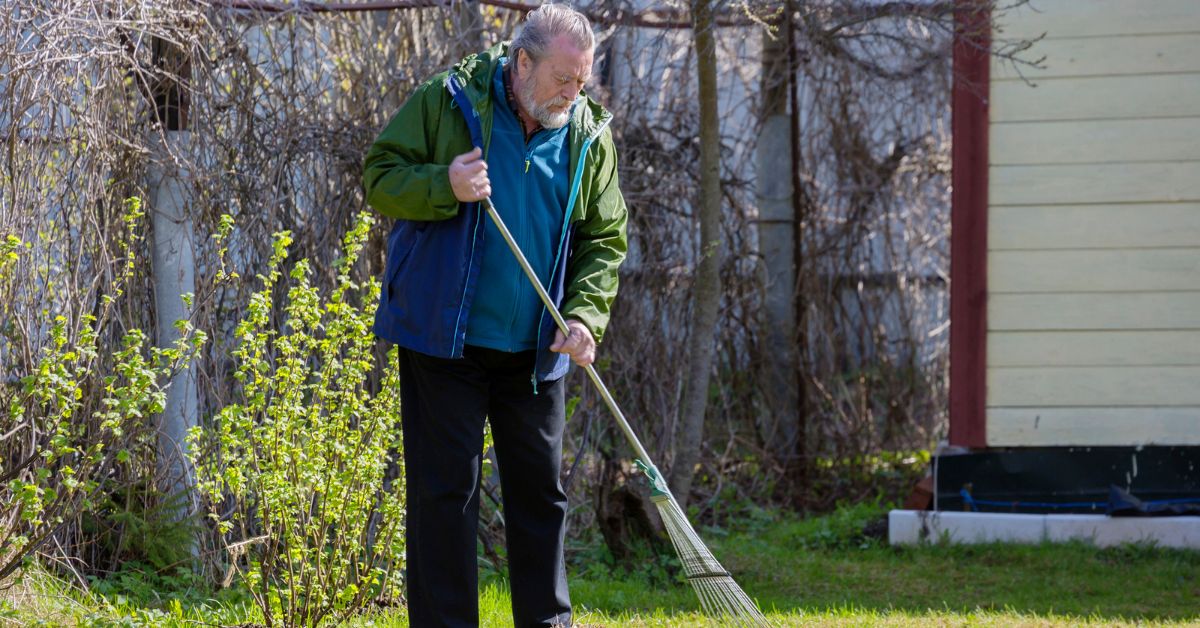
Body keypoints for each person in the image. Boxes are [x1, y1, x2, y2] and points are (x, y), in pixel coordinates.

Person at [361, 4, 627, 626]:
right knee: (444, 498)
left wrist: (585, 316)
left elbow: (603, 238)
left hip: (537, 352)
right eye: (564, 77)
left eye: (582, 78)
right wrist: (443, 184)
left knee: (541, 498)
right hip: (444, 342)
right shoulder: (448, 101)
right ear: (523, 61)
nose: (574, 90)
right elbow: (379, 177)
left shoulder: (587, 132)